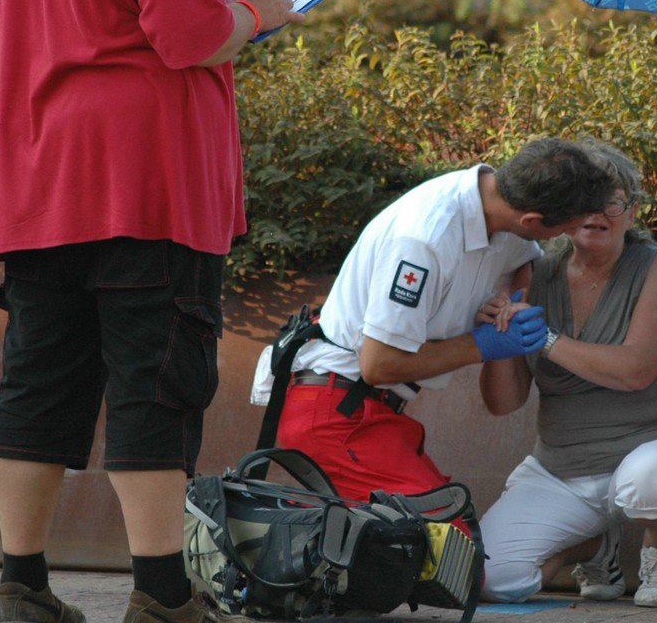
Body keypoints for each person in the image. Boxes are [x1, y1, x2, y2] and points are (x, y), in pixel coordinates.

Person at [0, 0, 303, 623]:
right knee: (158, 382)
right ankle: (162, 594)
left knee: (38, 380)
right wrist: (258, 13)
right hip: (143, 183)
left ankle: (22, 585)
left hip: (39, 178)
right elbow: (188, 32)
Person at [261, 138, 615, 504]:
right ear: (532, 220)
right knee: (444, 536)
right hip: (335, 410)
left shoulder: (500, 208)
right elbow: (378, 364)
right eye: (560, 230)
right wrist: (481, 344)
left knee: (426, 535)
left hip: (374, 411)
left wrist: (511, 305)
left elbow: (526, 261)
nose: (559, 239)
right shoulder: (425, 238)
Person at [475, 142, 657, 608]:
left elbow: (635, 372)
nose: (596, 213)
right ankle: (591, 545)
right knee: (486, 579)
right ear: (563, 213)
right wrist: (497, 337)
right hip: (560, 469)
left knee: (653, 480)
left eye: (612, 201)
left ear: (631, 210)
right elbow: (504, 404)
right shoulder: (532, 273)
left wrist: (542, 338)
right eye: (583, 202)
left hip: (655, 448)